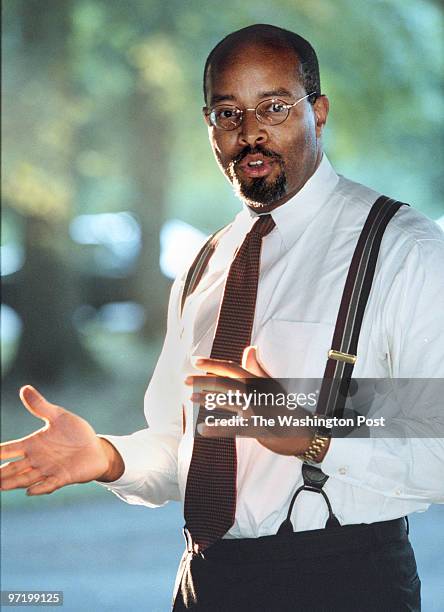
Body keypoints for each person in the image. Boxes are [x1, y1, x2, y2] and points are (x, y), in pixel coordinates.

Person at [1, 24, 443, 611]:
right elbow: (181, 446)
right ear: (208, 124)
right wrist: (108, 457)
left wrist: (312, 435)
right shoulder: (205, 264)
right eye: (227, 113)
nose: (251, 132)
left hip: (343, 582)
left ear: (319, 110)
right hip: (206, 581)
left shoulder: (401, 249)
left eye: (275, 108)